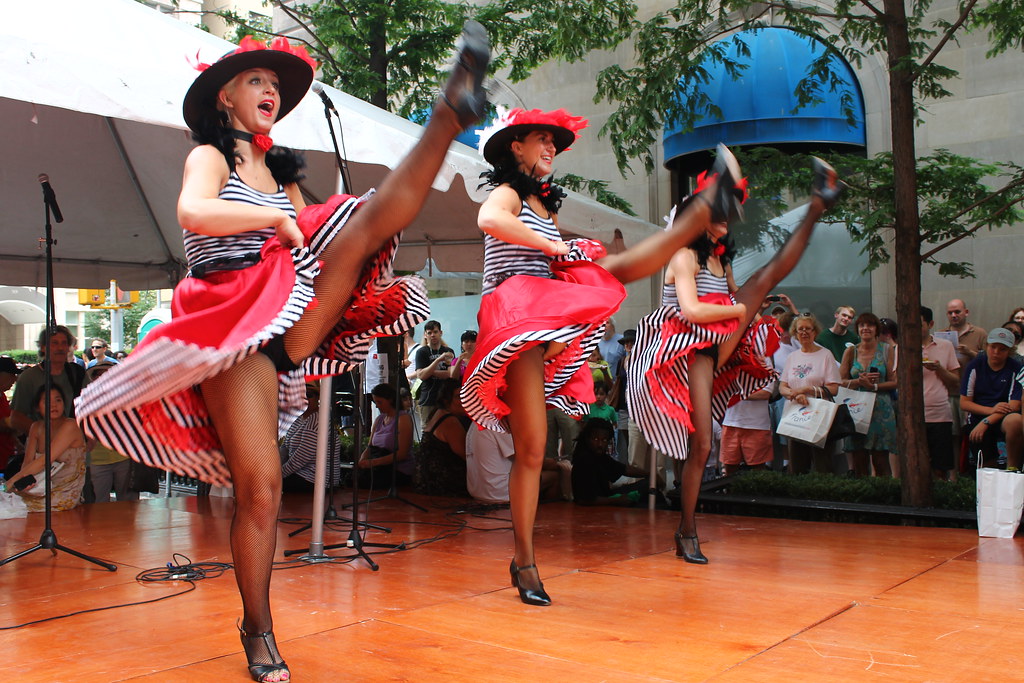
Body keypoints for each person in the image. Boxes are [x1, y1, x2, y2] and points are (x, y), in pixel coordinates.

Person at [75, 24, 491, 683]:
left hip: (286, 313)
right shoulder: (209, 158)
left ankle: (449, 113)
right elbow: (193, 212)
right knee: (262, 492)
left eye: (274, 82)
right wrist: (271, 218)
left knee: (368, 220)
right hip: (230, 325)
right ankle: (258, 625)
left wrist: (338, 260)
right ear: (224, 100)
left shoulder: (281, 170)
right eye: (255, 80)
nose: (269, 90)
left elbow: (308, 238)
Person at [461, 106, 748, 603]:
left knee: (611, 269)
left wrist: (572, 253)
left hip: (544, 310)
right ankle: (525, 562)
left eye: (556, 142)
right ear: (516, 147)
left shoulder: (546, 206)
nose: (552, 148)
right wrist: (558, 250)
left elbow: (555, 260)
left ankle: (696, 212)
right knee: (530, 450)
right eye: (542, 140)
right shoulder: (508, 192)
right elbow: (488, 218)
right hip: (514, 312)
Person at [628, 159, 842, 564]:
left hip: (714, 346)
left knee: (767, 275)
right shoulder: (684, 256)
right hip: (683, 350)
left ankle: (817, 205)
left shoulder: (720, 262)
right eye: (722, 207)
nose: (731, 216)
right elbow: (690, 311)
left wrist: (745, 313)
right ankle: (687, 529)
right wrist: (739, 313)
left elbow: (741, 298)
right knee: (703, 443)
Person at [780, 313, 842, 474]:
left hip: (819, 417)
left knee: (823, 464)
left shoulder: (826, 355)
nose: (804, 332)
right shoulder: (792, 357)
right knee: (797, 466)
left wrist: (807, 390)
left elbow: (834, 388)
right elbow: (782, 387)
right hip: (796, 417)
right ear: (795, 333)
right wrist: (795, 394)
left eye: (808, 329)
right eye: (800, 329)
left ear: (815, 332)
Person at [7, 386, 87, 512]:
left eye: (58, 400)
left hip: (64, 491)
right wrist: (24, 482)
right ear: (37, 407)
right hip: (40, 486)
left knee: (17, 508)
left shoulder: (70, 426)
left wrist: (11, 481)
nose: (53, 405)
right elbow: (28, 462)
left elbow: (44, 460)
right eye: (47, 401)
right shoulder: (36, 427)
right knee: (9, 502)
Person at [839, 313, 897, 477]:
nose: (866, 328)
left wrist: (874, 386)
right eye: (862, 325)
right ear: (857, 329)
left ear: (877, 329)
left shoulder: (886, 350)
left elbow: (895, 381)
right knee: (859, 460)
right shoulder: (851, 352)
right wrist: (858, 382)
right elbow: (840, 381)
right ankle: (862, 496)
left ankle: (885, 498)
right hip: (857, 408)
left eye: (870, 325)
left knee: (881, 460)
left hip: (881, 409)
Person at [960, 328, 1023, 470]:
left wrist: (988, 421)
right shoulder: (975, 366)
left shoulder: (1016, 368)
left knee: (1016, 421)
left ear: (1010, 351)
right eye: (993, 347)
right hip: (979, 415)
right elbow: (964, 403)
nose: (996, 352)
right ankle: (987, 473)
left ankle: (1013, 467)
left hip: (1004, 415)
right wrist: (989, 411)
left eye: (1002, 349)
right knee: (981, 442)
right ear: (986, 346)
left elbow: (1014, 405)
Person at [11, 326, 87, 436]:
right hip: (43, 447)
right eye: (54, 343)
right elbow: (16, 418)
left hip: (76, 444)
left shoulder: (78, 373)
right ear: (43, 347)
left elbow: (93, 406)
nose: (60, 348)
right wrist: (44, 435)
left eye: (64, 343)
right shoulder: (29, 377)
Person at [571, 418, 660, 506]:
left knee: (649, 485)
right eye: (596, 439)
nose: (600, 444)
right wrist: (616, 500)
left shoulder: (600, 457)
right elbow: (584, 500)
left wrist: (650, 475)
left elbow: (623, 469)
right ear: (587, 439)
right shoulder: (584, 460)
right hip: (597, 507)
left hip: (608, 498)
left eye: (604, 440)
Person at [84, 361, 139, 502]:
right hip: (97, 458)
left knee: (128, 503)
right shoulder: (86, 400)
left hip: (124, 456)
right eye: (99, 375)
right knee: (98, 503)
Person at [280, 383, 344, 494]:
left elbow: (301, 457)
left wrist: (278, 474)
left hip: (315, 479)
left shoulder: (317, 420)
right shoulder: (299, 418)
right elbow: (285, 447)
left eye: (308, 395)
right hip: (301, 473)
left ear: (317, 397)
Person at [920, 306, 960, 479]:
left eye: (919, 324)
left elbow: (955, 379)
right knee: (918, 467)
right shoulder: (903, 347)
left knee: (940, 467)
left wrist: (939, 369)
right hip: (914, 416)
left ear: (930, 324)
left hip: (940, 414)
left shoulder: (946, 346)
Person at [414, 381, 469, 497]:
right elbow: (465, 454)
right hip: (441, 482)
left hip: (425, 480)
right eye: (459, 397)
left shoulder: (437, 413)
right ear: (446, 400)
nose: (464, 400)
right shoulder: (450, 421)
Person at [357, 383, 415, 488]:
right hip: (379, 467)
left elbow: (402, 454)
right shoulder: (379, 419)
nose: (377, 405)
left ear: (391, 400)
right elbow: (370, 447)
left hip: (398, 470)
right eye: (376, 402)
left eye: (380, 402)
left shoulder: (403, 419)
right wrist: (363, 460)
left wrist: (374, 462)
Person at [415, 320, 456, 420]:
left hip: (445, 399)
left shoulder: (448, 351)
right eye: (429, 333)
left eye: (435, 332)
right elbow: (421, 376)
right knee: (427, 431)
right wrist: (438, 360)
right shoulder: (421, 352)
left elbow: (452, 374)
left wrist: (429, 371)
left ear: (440, 333)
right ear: (425, 335)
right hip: (428, 399)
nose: (432, 335)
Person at [0, 356, 22, 473]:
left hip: (6, 458)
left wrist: (17, 443)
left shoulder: (2, 396)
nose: (14, 379)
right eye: (11, 375)